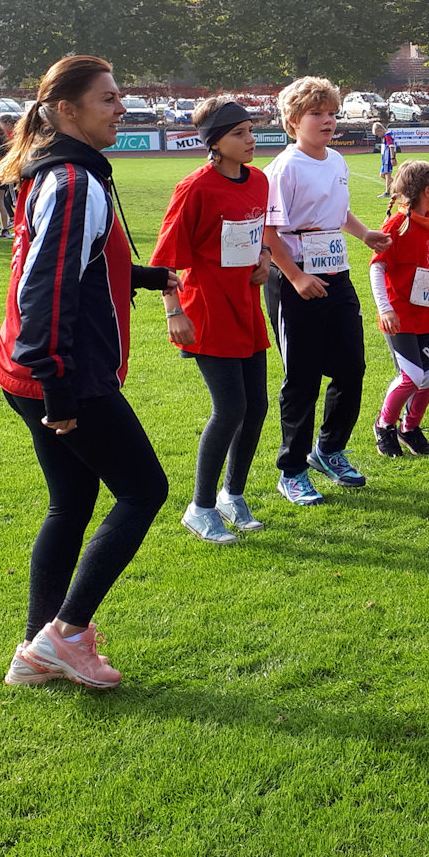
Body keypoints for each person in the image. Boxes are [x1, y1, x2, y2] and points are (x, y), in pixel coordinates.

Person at [0, 54, 176, 689]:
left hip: (32, 367)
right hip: (63, 372)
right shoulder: (73, 182)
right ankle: (66, 637)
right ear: (67, 110)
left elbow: (81, 263)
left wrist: (149, 277)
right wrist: (60, 386)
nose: (121, 108)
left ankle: (35, 648)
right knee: (144, 490)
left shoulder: (63, 175)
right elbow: (45, 288)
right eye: (108, 99)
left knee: (71, 502)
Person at [263, 76, 393, 505]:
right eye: (317, 113)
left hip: (337, 275)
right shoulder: (284, 168)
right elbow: (268, 230)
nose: (328, 121)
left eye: (332, 113)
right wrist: (296, 277)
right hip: (295, 280)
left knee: (350, 368)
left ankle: (330, 449)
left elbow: (339, 212)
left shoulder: (335, 161)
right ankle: (292, 469)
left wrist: (364, 234)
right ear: (293, 120)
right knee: (301, 378)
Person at [150, 98, 272, 544]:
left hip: (246, 306)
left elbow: (258, 235)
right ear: (214, 144)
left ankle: (231, 496)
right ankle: (199, 508)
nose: (250, 140)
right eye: (239, 134)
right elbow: (165, 258)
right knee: (231, 408)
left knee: (256, 406)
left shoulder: (258, 181)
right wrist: (173, 311)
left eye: (250, 131)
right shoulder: (194, 188)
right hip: (205, 309)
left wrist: (264, 258)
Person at [368, 160, 429, 458]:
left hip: (425, 311)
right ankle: (384, 425)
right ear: (426, 190)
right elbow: (377, 268)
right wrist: (385, 308)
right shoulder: (397, 225)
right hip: (400, 314)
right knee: (412, 376)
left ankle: (409, 428)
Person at [374, 120, 396, 197]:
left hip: (388, 158)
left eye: (378, 134)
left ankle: (387, 192)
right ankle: (399, 185)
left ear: (380, 130)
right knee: (382, 175)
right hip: (384, 158)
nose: (378, 136)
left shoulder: (387, 135)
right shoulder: (385, 136)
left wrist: (392, 157)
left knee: (387, 175)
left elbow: (391, 146)